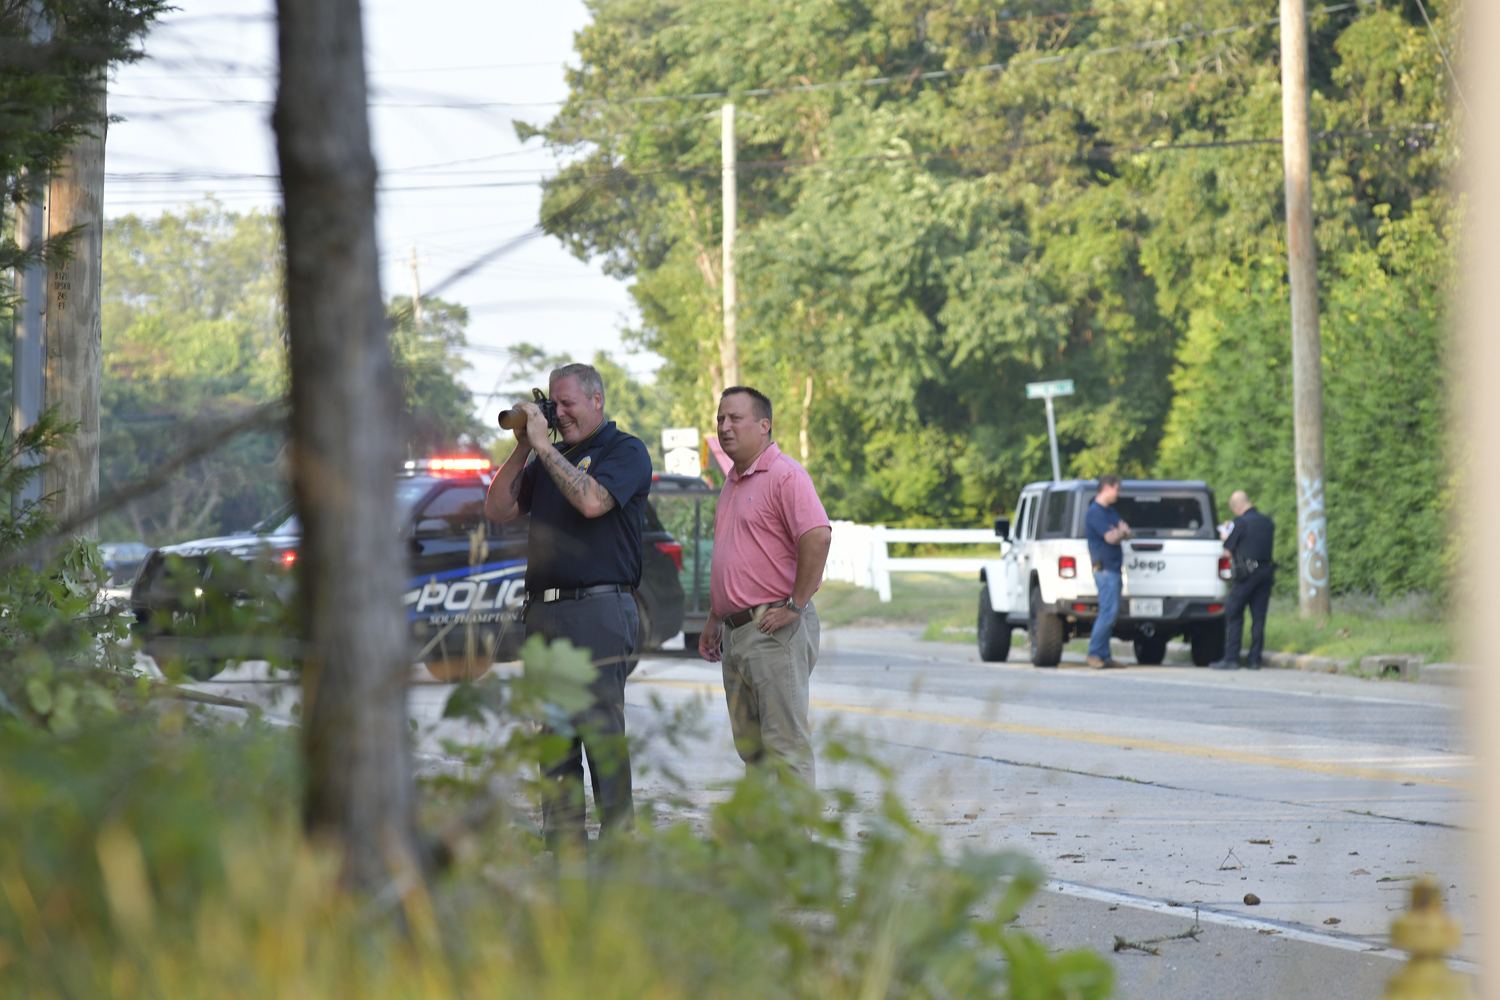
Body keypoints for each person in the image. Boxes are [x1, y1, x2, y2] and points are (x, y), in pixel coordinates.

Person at [485, 362, 652, 849]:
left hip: (598, 609)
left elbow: (593, 503)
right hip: (544, 611)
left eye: (567, 403)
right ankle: (564, 850)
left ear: (596, 400)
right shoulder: (547, 456)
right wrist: (523, 446)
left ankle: (618, 846)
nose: (558, 413)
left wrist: (542, 448)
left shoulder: (624, 450)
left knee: (600, 731)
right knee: (554, 737)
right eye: (552, 405)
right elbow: (498, 509)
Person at [698, 387, 832, 787]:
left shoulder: (786, 475)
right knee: (753, 752)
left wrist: (796, 604)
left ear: (763, 425)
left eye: (734, 418)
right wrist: (714, 618)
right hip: (737, 633)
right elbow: (733, 555)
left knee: (784, 748)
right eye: (720, 419)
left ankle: (795, 850)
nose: (724, 427)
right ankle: (762, 844)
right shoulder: (732, 482)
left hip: (774, 629)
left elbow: (818, 536)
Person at [1210, 491, 1276, 670]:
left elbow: (1228, 551)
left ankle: (1231, 658)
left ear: (1237, 507)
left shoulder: (1240, 523)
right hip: (1266, 572)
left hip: (1246, 575)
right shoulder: (1267, 522)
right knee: (1259, 617)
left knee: (1234, 613)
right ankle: (1255, 659)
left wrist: (1226, 536)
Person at [1084, 475, 1131, 669]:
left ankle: (1104, 655)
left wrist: (1122, 533)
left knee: (1111, 613)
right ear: (1105, 488)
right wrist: (1121, 533)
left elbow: (1127, 533)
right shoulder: (1095, 513)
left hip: (1113, 568)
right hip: (1103, 569)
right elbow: (1113, 537)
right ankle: (1094, 653)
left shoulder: (1111, 512)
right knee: (1108, 613)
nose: (1118, 494)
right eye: (1116, 489)